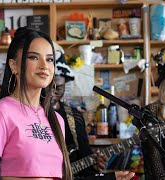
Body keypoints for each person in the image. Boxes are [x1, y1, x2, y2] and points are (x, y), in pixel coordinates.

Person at [0, 27, 72, 180]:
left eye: (49, 59)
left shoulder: (57, 120)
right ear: (14, 66)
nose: (44, 65)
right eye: (34, 57)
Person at [51, 46, 135, 180]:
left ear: (65, 84)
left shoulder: (73, 116)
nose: (52, 91)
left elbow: (85, 161)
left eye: (58, 87)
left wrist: (94, 165)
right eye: (47, 86)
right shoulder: (30, 115)